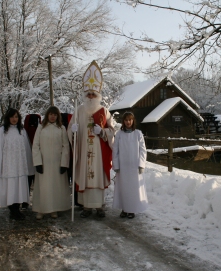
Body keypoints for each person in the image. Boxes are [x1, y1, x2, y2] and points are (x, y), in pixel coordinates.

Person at [67, 60, 114, 218]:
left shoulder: (104, 111)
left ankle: (99, 206)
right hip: (84, 150)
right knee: (85, 176)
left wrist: (102, 132)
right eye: (89, 94)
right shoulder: (79, 110)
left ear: (98, 95)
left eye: (94, 94)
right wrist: (72, 131)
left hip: (99, 152)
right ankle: (87, 207)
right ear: (85, 95)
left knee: (97, 176)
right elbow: (70, 129)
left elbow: (113, 130)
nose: (91, 96)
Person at [0, 108, 35, 220]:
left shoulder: (22, 130)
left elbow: (27, 149)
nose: (14, 119)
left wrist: (30, 167)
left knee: (18, 188)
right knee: (10, 188)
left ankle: (16, 209)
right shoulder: (2, 131)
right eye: (12, 117)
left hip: (20, 165)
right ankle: (13, 211)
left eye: (16, 117)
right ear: (7, 118)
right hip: (8, 165)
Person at [32, 106, 71, 219]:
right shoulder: (41, 128)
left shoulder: (61, 128)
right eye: (51, 114)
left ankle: (54, 209)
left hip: (57, 163)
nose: (53, 116)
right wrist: (38, 162)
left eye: (55, 115)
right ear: (47, 115)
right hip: (44, 164)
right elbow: (35, 146)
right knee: (44, 187)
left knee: (55, 187)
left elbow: (65, 147)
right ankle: (41, 209)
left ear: (58, 116)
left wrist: (64, 163)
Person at [112, 112, 148, 219]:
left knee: (133, 189)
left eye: (130, 120)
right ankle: (124, 208)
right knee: (123, 188)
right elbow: (115, 150)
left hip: (134, 166)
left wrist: (141, 164)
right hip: (123, 167)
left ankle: (131, 209)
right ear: (123, 121)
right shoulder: (119, 134)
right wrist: (116, 165)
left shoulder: (138, 134)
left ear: (133, 121)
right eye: (126, 120)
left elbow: (142, 150)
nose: (128, 122)